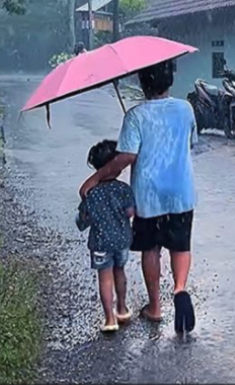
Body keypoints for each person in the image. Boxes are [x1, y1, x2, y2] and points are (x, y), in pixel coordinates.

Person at [79, 59, 199, 334]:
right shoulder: (185, 109)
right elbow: (191, 143)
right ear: (169, 80)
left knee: (151, 249)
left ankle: (155, 307)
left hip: (149, 196)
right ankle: (180, 289)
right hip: (182, 192)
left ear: (143, 82)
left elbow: (127, 157)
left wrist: (96, 178)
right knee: (180, 245)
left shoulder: (135, 116)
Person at [76, 139, 136, 333]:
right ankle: (122, 309)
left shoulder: (92, 192)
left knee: (105, 278)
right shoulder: (124, 189)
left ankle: (110, 319)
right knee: (120, 272)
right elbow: (130, 212)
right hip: (122, 240)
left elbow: (82, 221)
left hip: (100, 242)